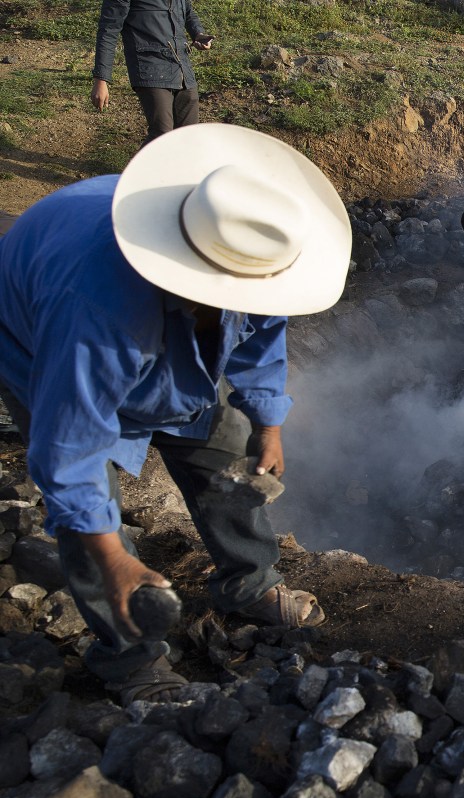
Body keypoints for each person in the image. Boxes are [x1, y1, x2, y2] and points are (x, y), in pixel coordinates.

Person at [0, 123, 351, 705]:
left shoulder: (248, 247)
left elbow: (263, 333)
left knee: (228, 453)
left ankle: (250, 582)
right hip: (43, 347)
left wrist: (267, 422)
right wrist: (112, 556)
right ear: (200, 284)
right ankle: (129, 657)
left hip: (164, 331)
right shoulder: (100, 315)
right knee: (92, 518)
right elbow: (69, 452)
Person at [92, 0, 214, 144]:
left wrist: (197, 33)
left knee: (189, 134)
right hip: (149, 68)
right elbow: (108, 32)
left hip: (182, 69)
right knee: (161, 136)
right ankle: (139, 167)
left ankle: (178, 167)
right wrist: (101, 79)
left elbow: (187, 11)